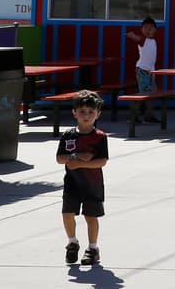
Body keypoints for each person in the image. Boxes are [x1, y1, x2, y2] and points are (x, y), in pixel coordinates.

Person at [57, 90, 109, 267]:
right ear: (74, 112)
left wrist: (80, 164)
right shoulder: (68, 135)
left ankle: (93, 248)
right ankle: (72, 242)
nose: (86, 116)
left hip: (92, 185)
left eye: (91, 112)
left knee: (91, 216)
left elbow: (102, 161)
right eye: (82, 111)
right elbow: (60, 158)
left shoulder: (100, 137)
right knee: (67, 213)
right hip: (71, 184)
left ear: (98, 114)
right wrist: (76, 156)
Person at [125, 17, 161, 125]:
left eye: (150, 28)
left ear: (155, 30)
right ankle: (134, 116)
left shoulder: (152, 40)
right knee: (143, 94)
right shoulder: (143, 40)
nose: (148, 30)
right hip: (142, 71)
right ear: (141, 30)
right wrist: (132, 36)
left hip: (150, 72)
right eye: (145, 28)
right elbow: (137, 39)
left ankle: (149, 116)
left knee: (152, 93)